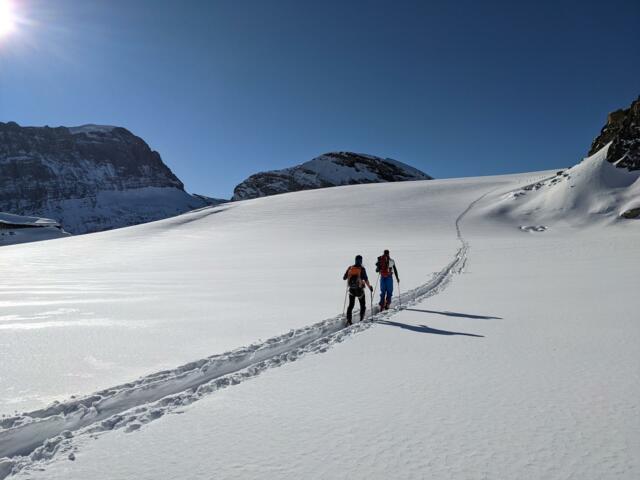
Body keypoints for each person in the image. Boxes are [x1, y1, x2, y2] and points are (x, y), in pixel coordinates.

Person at [342, 255, 373, 326]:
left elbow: (344, 278)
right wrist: (369, 287)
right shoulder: (362, 269)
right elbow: (366, 279)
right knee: (362, 305)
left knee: (350, 306)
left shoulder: (350, 268)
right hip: (359, 290)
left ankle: (349, 321)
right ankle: (361, 319)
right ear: (361, 261)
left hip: (351, 290)